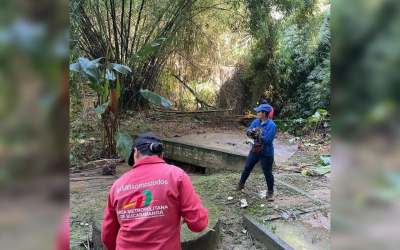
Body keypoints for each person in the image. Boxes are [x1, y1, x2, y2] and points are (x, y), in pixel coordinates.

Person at [101, 132, 209, 250]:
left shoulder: (117, 185)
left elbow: (108, 237)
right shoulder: (177, 176)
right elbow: (198, 224)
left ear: (135, 153)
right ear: (161, 155)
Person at [234, 103, 277, 201]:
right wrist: (249, 132)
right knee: (247, 167)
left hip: (266, 152)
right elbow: (249, 130)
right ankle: (241, 184)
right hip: (255, 150)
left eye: (259, 112)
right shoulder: (256, 122)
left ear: (264, 113)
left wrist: (258, 136)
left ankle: (270, 192)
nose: (257, 113)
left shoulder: (271, 125)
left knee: (267, 172)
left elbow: (268, 140)